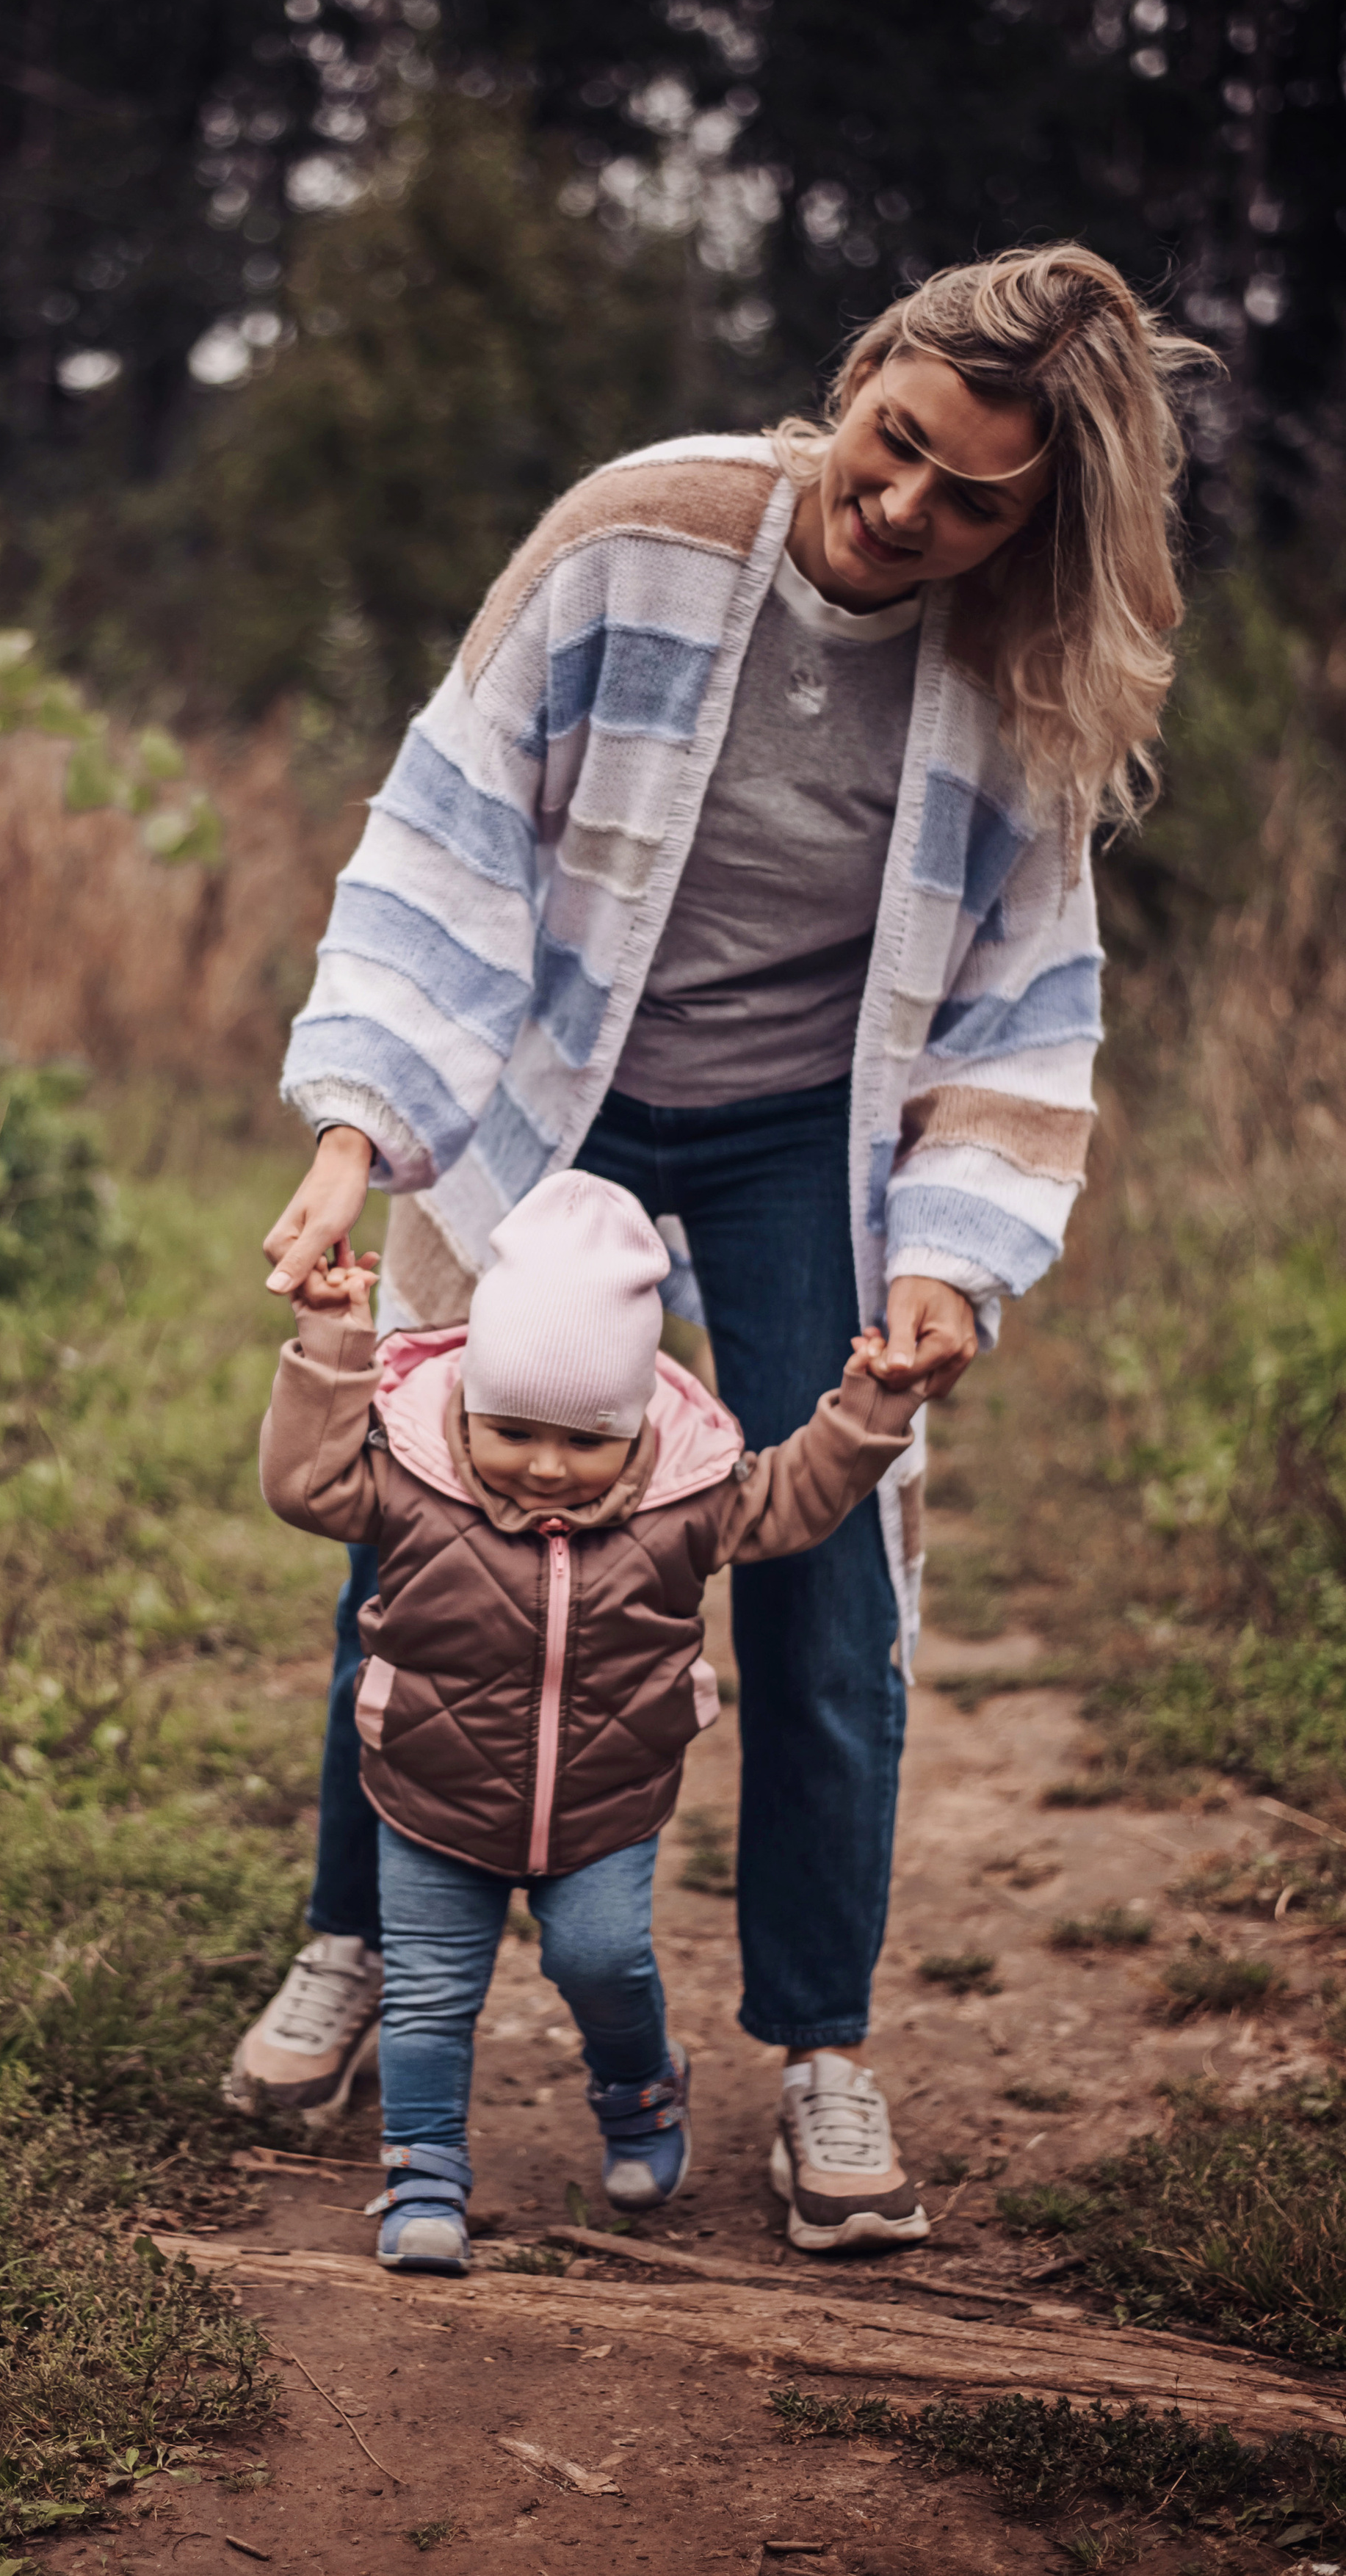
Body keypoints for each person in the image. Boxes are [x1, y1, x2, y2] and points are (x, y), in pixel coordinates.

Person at [228, 243, 1210, 2252]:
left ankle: (822, 2051)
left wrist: (947, 1253)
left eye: (978, 495)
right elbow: (448, 828)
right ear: (855, 381)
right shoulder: (640, 535)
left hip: (798, 1134)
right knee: (433, 1500)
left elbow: (1026, 1003)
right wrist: (358, 1139)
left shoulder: (1019, 677)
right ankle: (351, 1939)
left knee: (821, 1575)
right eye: (896, 440)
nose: (909, 505)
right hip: (550, 1089)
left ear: (1038, 520)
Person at [259, 1171, 924, 2274]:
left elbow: (800, 1496)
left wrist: (872, 1409)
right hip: (429, 1795)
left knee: (603, 1960)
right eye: (511, 1428)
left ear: (637, 1427)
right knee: (431, 1995)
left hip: (608, 1808)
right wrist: (330, 1340)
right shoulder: (415, 1477)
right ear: (468, 1397)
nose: (546, 1465)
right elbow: (302, 1480)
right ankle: (423, 2175)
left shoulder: (688, 1497)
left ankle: (641, 2087)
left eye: (585, 1439)